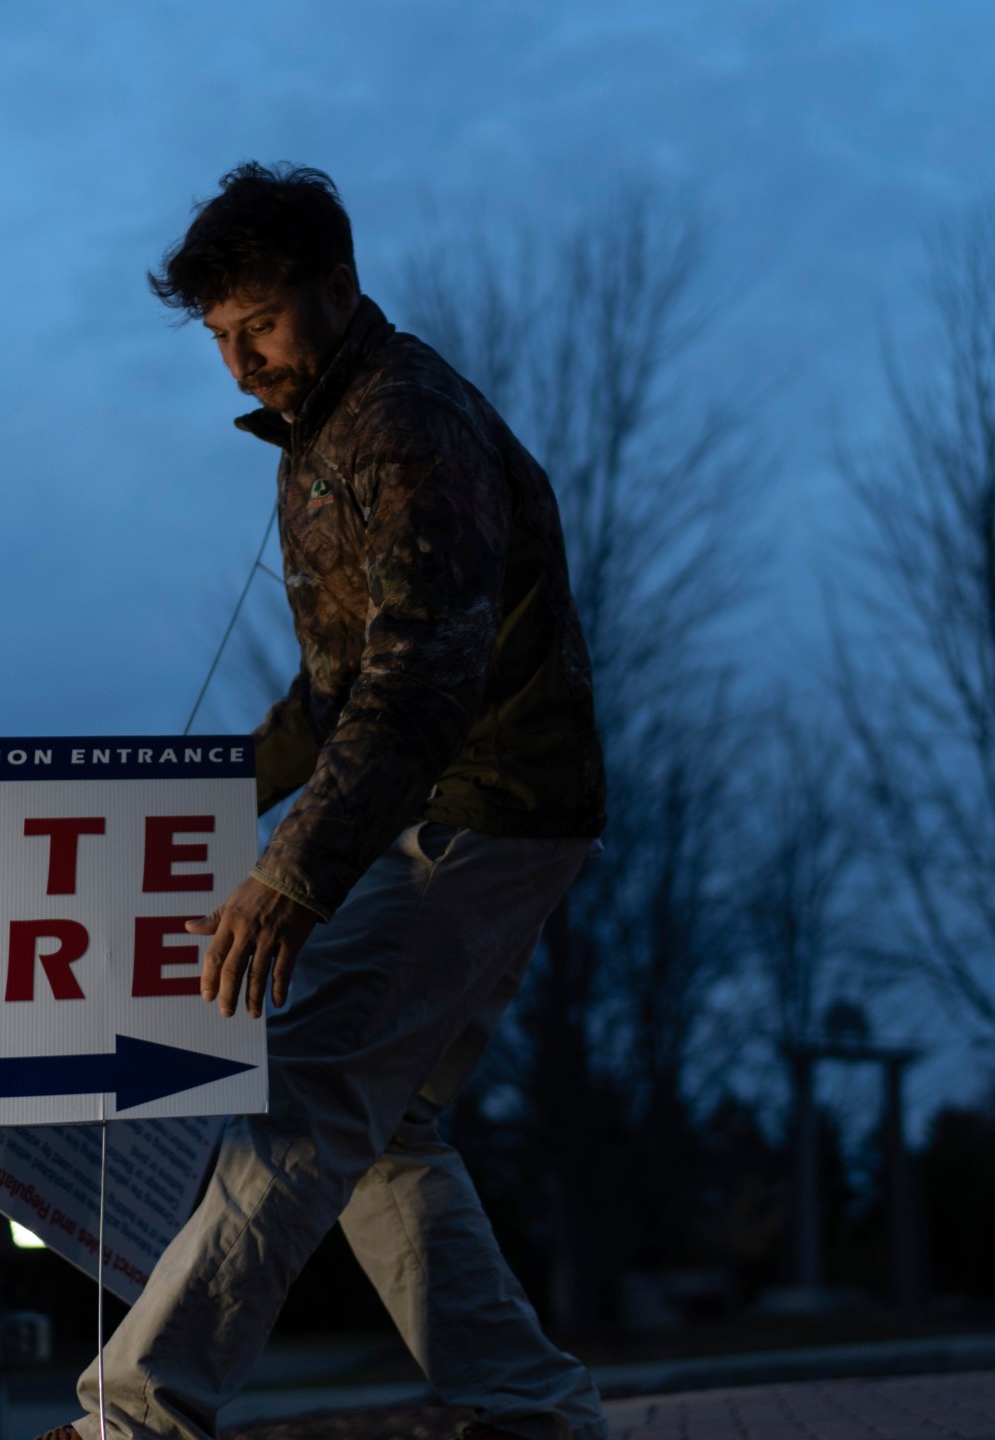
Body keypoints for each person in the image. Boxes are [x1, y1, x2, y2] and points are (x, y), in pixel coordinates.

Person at [49, 163, 610, 1440]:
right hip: (473, 800)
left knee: (296, 1088)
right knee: (382, 1119)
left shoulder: (405, 424)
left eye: (261, 327)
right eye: (220, 341)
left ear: (338, 288)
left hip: (488, 804)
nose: (242, 365)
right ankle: (527, 1406)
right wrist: (190, 800)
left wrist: (289, 873)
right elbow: (333, 694)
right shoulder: (326, 437)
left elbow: (417, 680)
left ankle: (133, 1419)